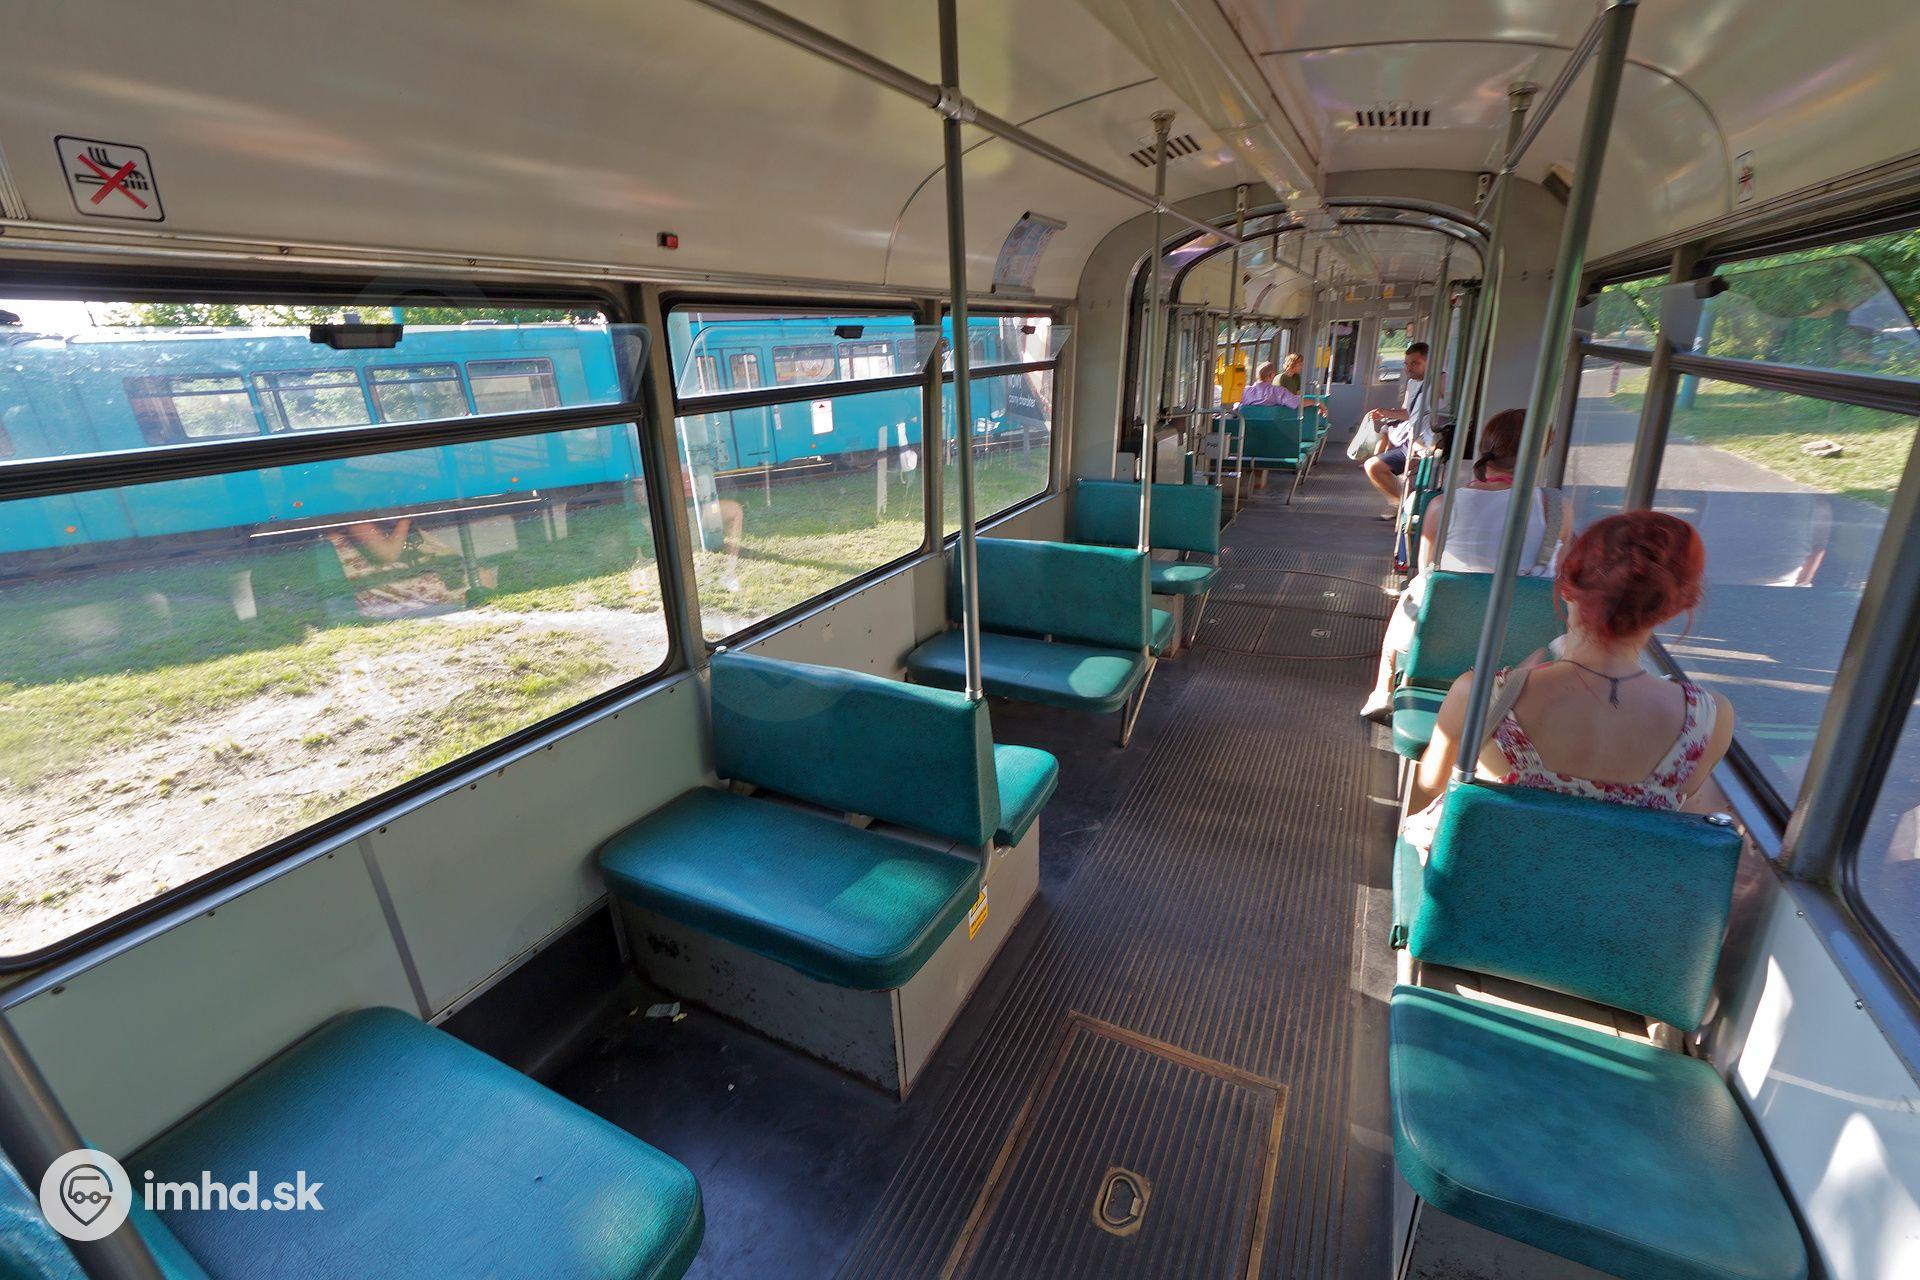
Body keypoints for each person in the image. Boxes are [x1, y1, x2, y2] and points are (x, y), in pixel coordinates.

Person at [1402, 511, 1735, 846]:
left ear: (1566, 587)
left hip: (1493, 868)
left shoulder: (1482, 694)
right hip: (1612, 879)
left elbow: (1432, 781)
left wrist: (1514, 686)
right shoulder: (1707, 718)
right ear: (1671, 609)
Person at [1360, 408, 1570, 719]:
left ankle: (1383, 690)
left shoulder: (1442, 506)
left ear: (1486, 448)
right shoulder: (1557, 508)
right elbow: (1560, 572)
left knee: (1415, 591)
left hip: (1445, 636)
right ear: (1540, 453)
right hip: (1525, 646)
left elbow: (1428, 571)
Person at [1360, 342, 1431, 512]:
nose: (1408, 368)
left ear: (1429, 362)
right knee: (1372, 466)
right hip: (1411, 440)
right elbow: (1408, 413)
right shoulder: (1412, 383)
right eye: (1406, 364)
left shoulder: (1438, 385)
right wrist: (1385, 413)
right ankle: (1399, 504)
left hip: (1425, 444)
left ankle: (1404, 505)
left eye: (1415, 363)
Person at [1237, 361, 1302, 409]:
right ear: (1272, 375)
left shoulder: (1245, 391)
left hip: (1247, 423)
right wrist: (1308, 401)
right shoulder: (1278, 391)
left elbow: (1237, 407)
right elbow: (1296, 403)